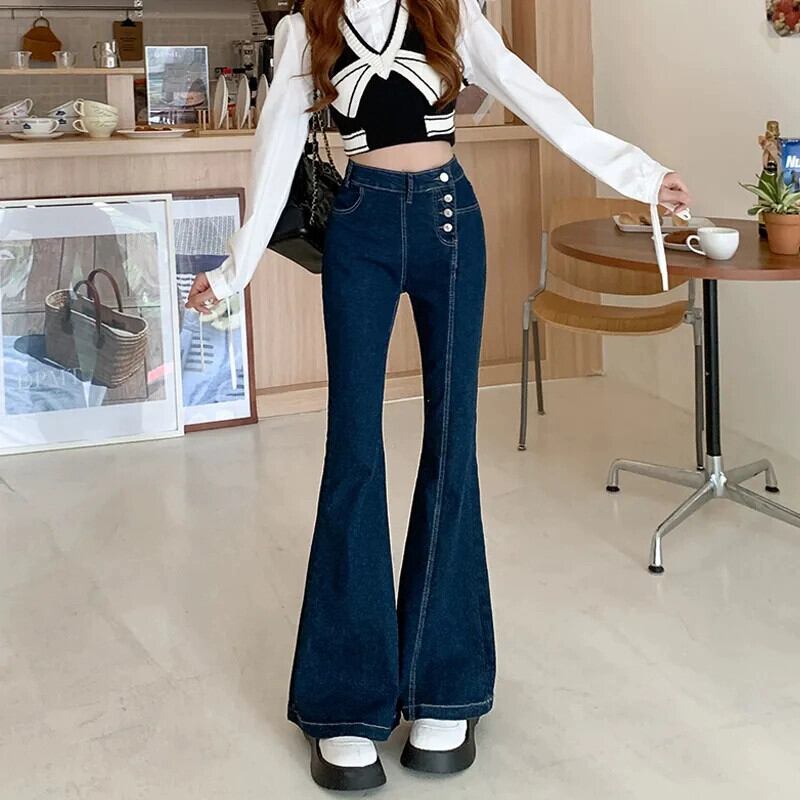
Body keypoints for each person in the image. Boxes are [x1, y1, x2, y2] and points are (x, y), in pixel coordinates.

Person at [186, 0, 691, 791]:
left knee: (452, 446)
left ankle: (445, 685)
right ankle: (346, 703)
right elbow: (276, 148)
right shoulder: (306, 28)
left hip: (451, 227)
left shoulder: (453, 15)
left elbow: (537, 98)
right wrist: (232, 270)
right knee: (353, 452)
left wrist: (643, 175)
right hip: (357, 230)